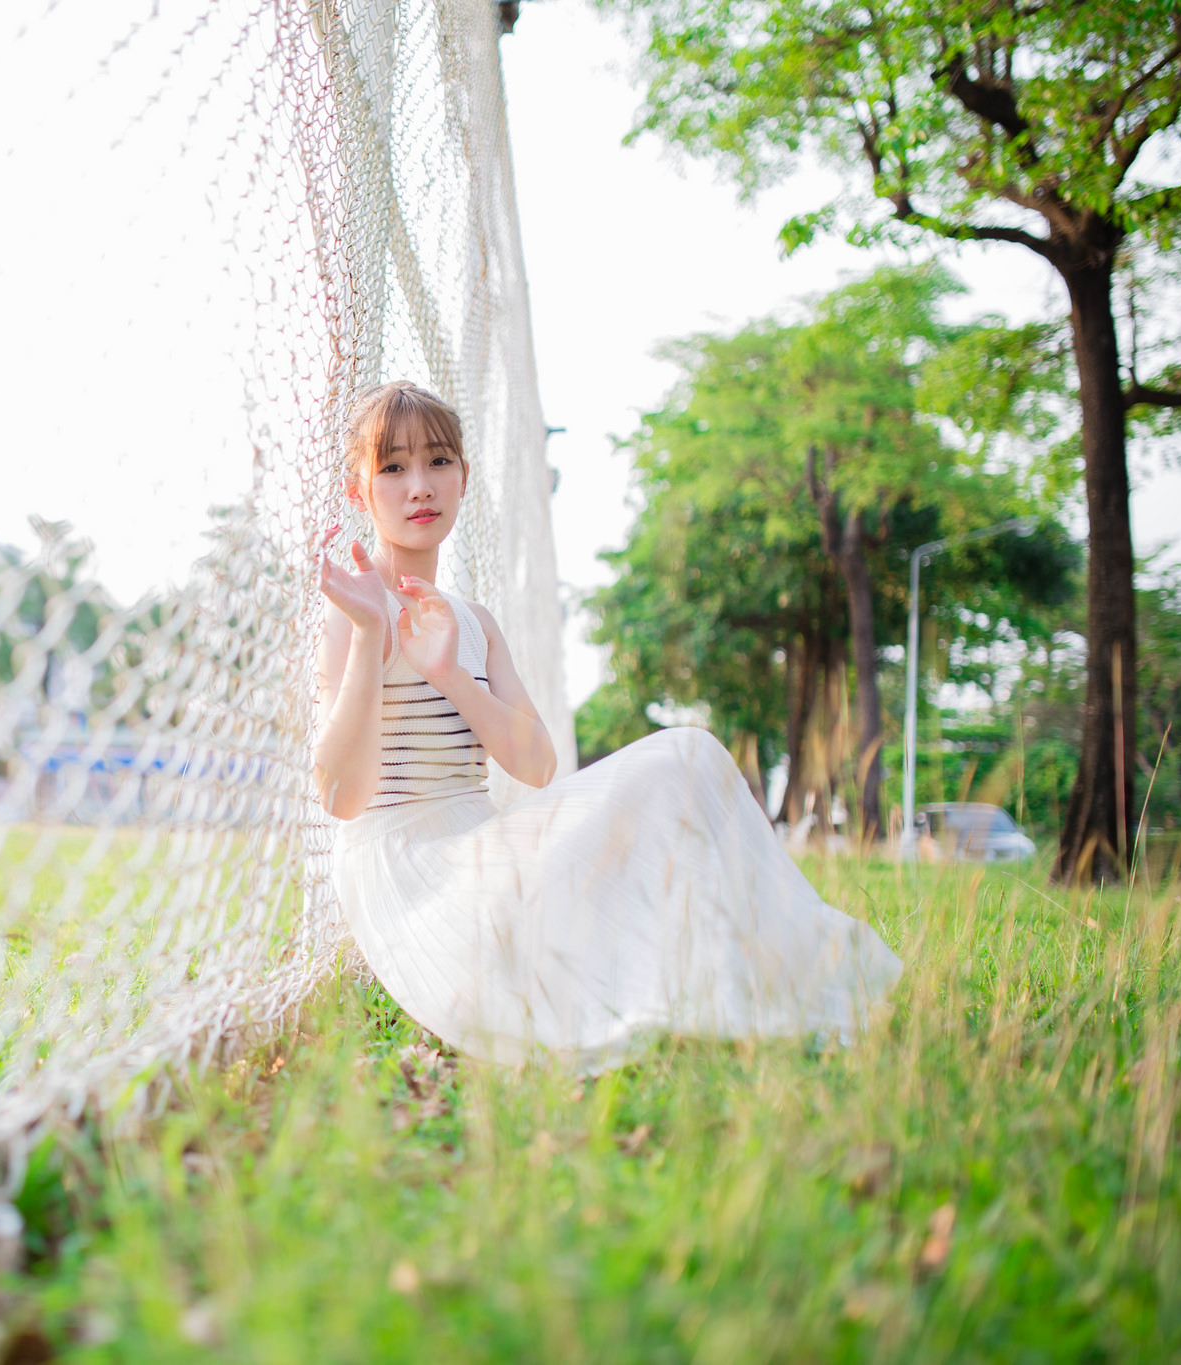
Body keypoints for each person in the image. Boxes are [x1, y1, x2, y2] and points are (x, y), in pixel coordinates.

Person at [315, 381, 902, 1069]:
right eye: (393, 467)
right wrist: (367, 635)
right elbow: (341, 799)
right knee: (676, 762)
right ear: (360, 491)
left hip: (482, 846)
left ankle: (776, 975)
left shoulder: (475, 624)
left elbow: (536, 766)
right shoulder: (356, 609)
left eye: (438, 461)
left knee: (688, 757)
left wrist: (449, 674)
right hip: (413, 877)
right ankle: (756, 986)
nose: (420, 485)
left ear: (463, 477)